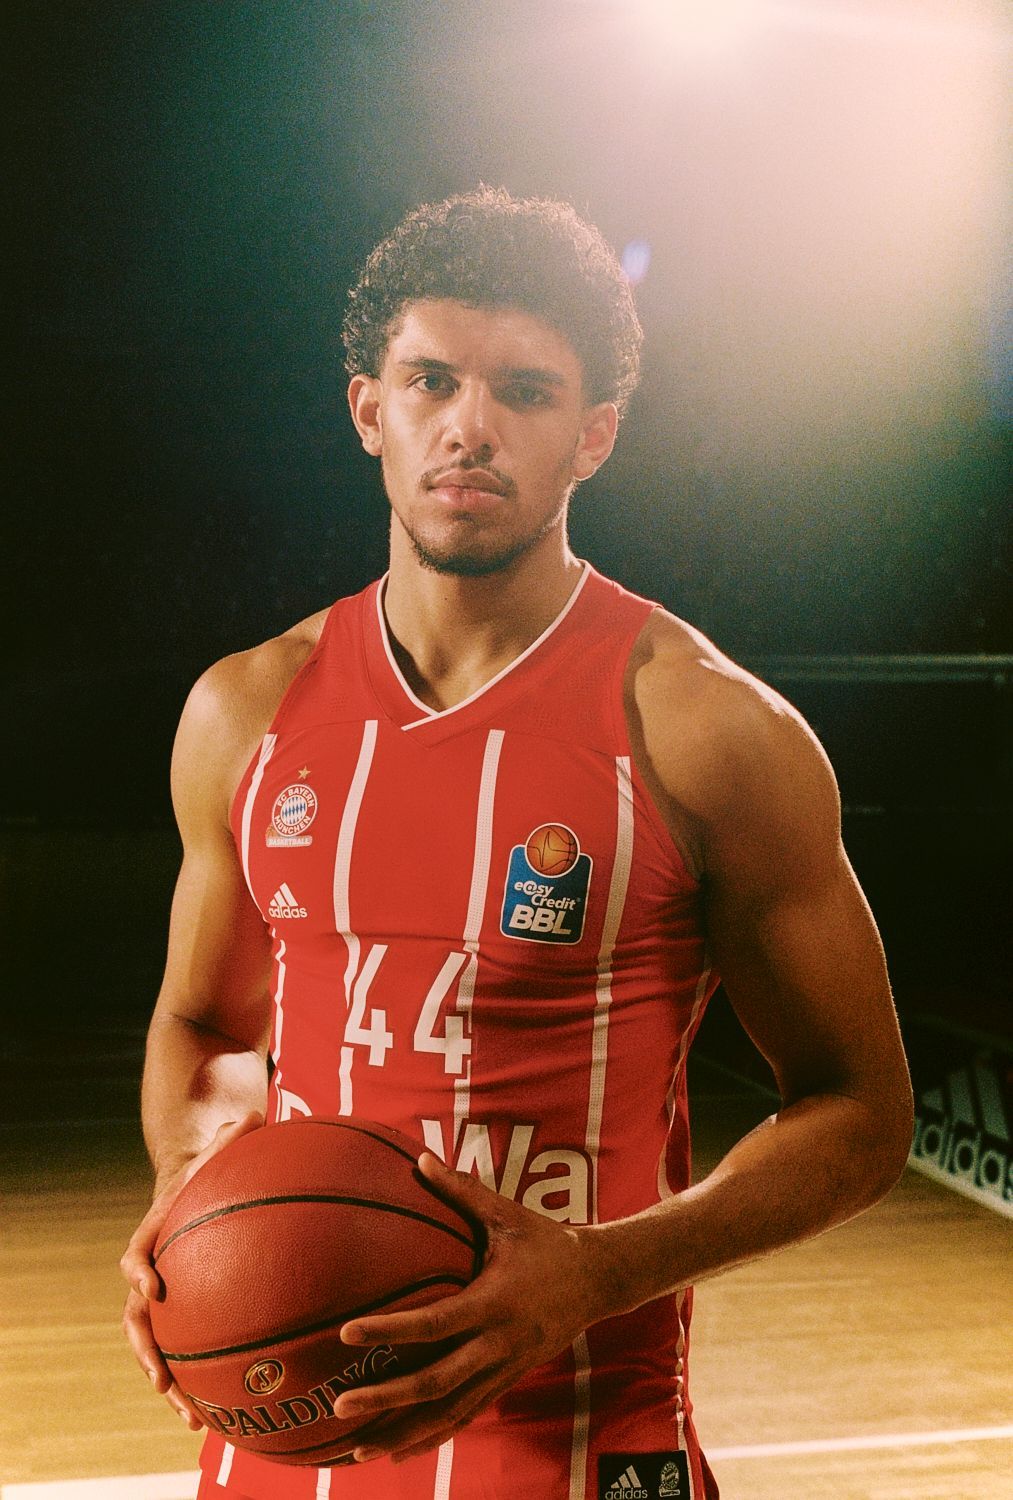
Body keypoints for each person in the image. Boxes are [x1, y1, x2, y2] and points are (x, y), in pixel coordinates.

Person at [121, 187, 913, 1500]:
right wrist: (194, 1197)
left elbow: (857, 1110)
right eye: (430, 380)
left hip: (581, 1432)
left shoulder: (705, 730)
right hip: (290, 1428)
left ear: (592, 436)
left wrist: (603, 1272)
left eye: (527, 393)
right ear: (369, 407)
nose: (469, 427)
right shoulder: (244, 712)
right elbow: (207, 1029)